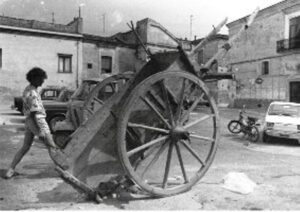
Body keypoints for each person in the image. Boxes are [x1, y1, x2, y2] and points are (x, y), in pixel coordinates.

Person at [5, 67, 64, 179]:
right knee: (52, 146)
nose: (43, 81)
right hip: (38, 122)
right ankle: (65, 170)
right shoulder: (32, 93)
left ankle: (10, 170)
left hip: (29, 122)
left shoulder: (28, 89)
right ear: (35, 78)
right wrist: (40, 130)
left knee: (25, 147)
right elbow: (35, 113)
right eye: (41, 79)